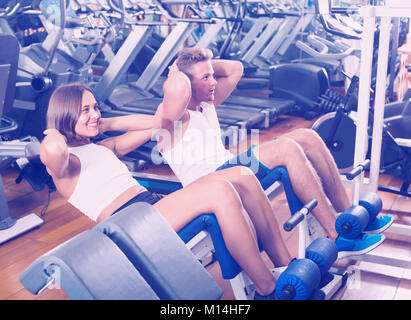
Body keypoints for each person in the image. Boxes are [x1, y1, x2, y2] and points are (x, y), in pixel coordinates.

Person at [40, 82, 302, 300]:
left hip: (151, 207)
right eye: (84, 109)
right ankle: (267, 288)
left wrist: (104, 122)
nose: (94, 114)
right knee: (220, 191)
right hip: (127, 224)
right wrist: (54, 129)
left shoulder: (104, 147)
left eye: (95, 107)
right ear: (65, 113)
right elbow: (54, 150)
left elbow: (159, 123)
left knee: (241, 175)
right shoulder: (65, 166)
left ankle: (283, 265)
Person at [154, 46, 393, 258]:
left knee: (307, 136)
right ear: (185, 83)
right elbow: (176, 96)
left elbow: (235, 68)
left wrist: (200, 66)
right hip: (210, 184)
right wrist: (178, 72)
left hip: (230, 168)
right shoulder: (172, 116)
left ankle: (349, 221)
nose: (213, 81)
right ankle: (336, 236)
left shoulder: (206, 104)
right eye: (206, 77)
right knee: (286, 149)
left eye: (212, 76)